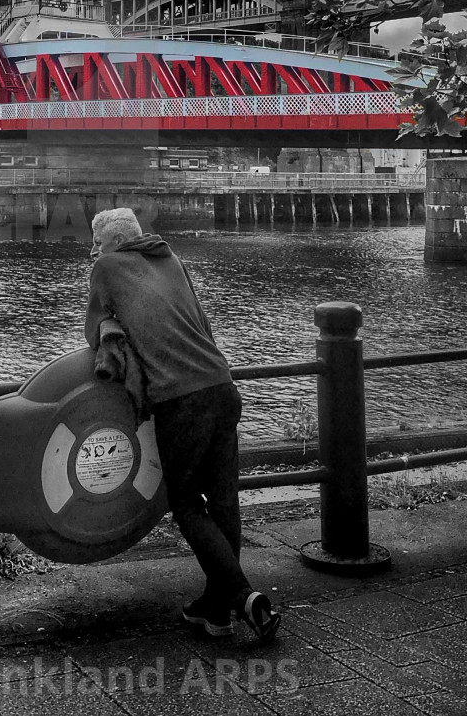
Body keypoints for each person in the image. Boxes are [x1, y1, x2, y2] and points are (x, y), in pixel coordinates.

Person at [84, 207, 281, 642]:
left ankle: (243, 596)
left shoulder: (107, 267)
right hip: (221, 384)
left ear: (115, 242)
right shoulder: (172, 258)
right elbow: (202, 324)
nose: (93, 249)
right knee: (225, 501)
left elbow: (92, 328)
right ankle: (216, 610)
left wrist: (113, 325)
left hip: (180, 398)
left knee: (188, 503)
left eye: (97, 241)